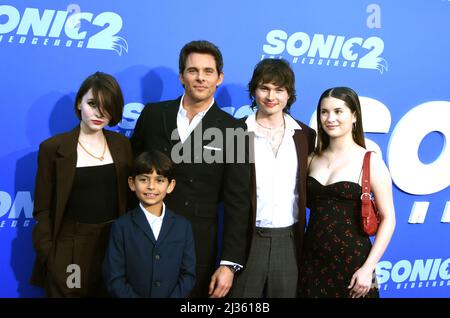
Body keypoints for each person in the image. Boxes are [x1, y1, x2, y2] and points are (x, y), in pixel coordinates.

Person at [130, 40, 251, 298]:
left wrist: (229, 263)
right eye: (193, 70)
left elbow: (238, 202)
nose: (200, 78)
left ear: (219, 78)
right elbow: (130, 172)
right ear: (181, 76)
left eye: (208, 71)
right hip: (144, 237)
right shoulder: (153, 114)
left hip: (197, 246)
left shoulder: (235, 130)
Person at [30, 72, 133, 297]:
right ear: (79, 103)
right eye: (92, 103)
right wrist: (51, 255)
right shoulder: (53, 148)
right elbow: (43, 208)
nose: (99, 113)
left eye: (107, 106)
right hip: (70, 248)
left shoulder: (123, 145)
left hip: (113, 245)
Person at [229, 58, 316, 298]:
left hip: (290, 240)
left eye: (279, 90)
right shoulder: (235, 132)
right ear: (254, 90)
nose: (271, 96)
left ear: (289, 95)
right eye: (264, 88)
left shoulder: (305, 135)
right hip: (248, 239)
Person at [298, 87, 396, 298]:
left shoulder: (370, 162)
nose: (330, 118)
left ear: (354, 116)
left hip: (353, 266)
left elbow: (389, 219)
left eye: (338, 111)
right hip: (310, 261)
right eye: (324, 112)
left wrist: (368, 268)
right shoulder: (312, 158)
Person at [102, 150, 196, 297]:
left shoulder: (183, 226)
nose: (151, 186)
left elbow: (188, 275)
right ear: (132, 183)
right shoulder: (121, 227)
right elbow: (114, 278)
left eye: (159, 180)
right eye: (144, 179)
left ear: (170, 186)